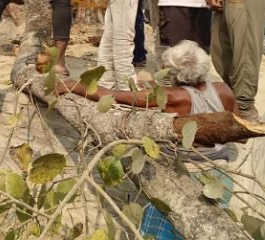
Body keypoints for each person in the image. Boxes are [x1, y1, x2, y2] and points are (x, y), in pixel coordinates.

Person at [57, 41, 238, 240]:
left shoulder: (172, 96)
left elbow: (112, 95)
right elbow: (240, 131)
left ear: (172, 72)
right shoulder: (223, 90)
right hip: (221, 175)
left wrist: (74, 86)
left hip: (185, 179)